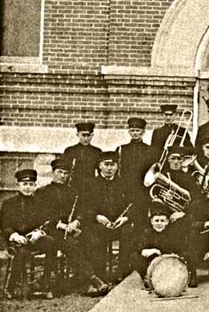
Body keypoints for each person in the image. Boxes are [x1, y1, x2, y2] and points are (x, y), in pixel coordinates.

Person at [37, 158, 110, 296]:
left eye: (66, 173)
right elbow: (42, 214)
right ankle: (92, 281)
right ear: (53, 172)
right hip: (53, 230)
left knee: (93, 241)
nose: (63, 176)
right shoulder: (43, 192)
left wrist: (76, 222)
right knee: (72, 245)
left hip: (72, 227)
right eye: (60, 172)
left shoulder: (74, 192)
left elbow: (81, 210)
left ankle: (89, 278)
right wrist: (63, 226)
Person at [1, 169, 56, 299]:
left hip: (34, 239)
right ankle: (10, 286)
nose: (28, 187)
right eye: (24, 184)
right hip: (16, 241)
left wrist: (39, 232)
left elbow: (47, 221)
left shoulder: (40, 202)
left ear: (35, 186)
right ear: (18, 185)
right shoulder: (8, 203)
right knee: (22, 252)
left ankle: (45, 284)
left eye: (31, 184)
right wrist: (14, 235)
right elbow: (4, 225)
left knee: (52, 243)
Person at [79, 152, 133, 282]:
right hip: (99, 224)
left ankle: (123, 273)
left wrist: (125, 218)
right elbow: (84, 207)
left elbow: (133, 205)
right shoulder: (90, 184)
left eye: (112, 165)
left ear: (117, 167)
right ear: (100, 166)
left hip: (119, 224)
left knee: (129, 233)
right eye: (106, 164)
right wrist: (97, 217)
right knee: (97, 236)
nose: (109, 168)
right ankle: (101, 275)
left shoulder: (124, 183)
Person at [133, 202, 197, 288]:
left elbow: (178, 248)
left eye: (162, 221)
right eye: (156, 221)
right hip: (154, 261)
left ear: (167, 222)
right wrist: (143, 250)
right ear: (151, 221)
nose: (159, 223)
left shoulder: (172, 232)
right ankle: (147, 278)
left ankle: (190, 276)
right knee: (135, 256)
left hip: (170, 260)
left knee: (187, 254)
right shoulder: (146, 232)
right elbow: (139, 246)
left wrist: (158, 251)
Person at [117, 117, 156, 231]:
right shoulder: (121, 149)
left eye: (138, 130)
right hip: (126, 189)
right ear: (129, 131)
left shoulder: (150, 150)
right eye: (132, 130)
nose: (135, 133)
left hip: (143, 189)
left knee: (141, 220)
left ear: (143, 132)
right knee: (125, 222)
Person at [63, 122, 102, 194]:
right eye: (83, 135)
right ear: (78, 135)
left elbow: (100, 171)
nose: (86, 139)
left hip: (91, 187)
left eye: (88, 135)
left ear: (92, 135)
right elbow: (65, 169)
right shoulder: (70, 151)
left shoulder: (97, 152)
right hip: (73, 186)